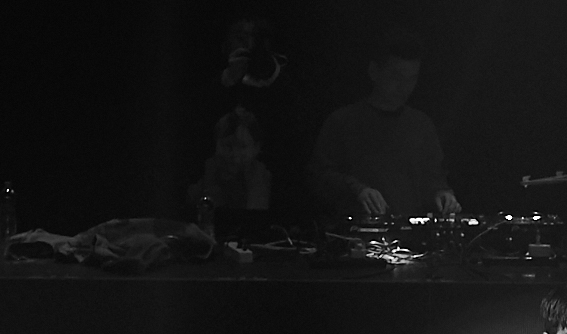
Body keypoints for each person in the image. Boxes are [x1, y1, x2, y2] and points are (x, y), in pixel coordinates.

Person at [307, 28, 460, 219]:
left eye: (412, 79)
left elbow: (434, 178)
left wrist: (443, 194)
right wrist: (357, 190)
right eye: (396, 77)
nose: (404, 87)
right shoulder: (342, 122)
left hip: (410, 232)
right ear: (374, 71)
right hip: (357, 230)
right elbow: (319, 177)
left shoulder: (421, 125)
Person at [187, 107, 272, 212]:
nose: (234, 154)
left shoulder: (264, 179)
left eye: (242, 147)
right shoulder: (207, 174)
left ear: (256, 147)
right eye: (227, 146)